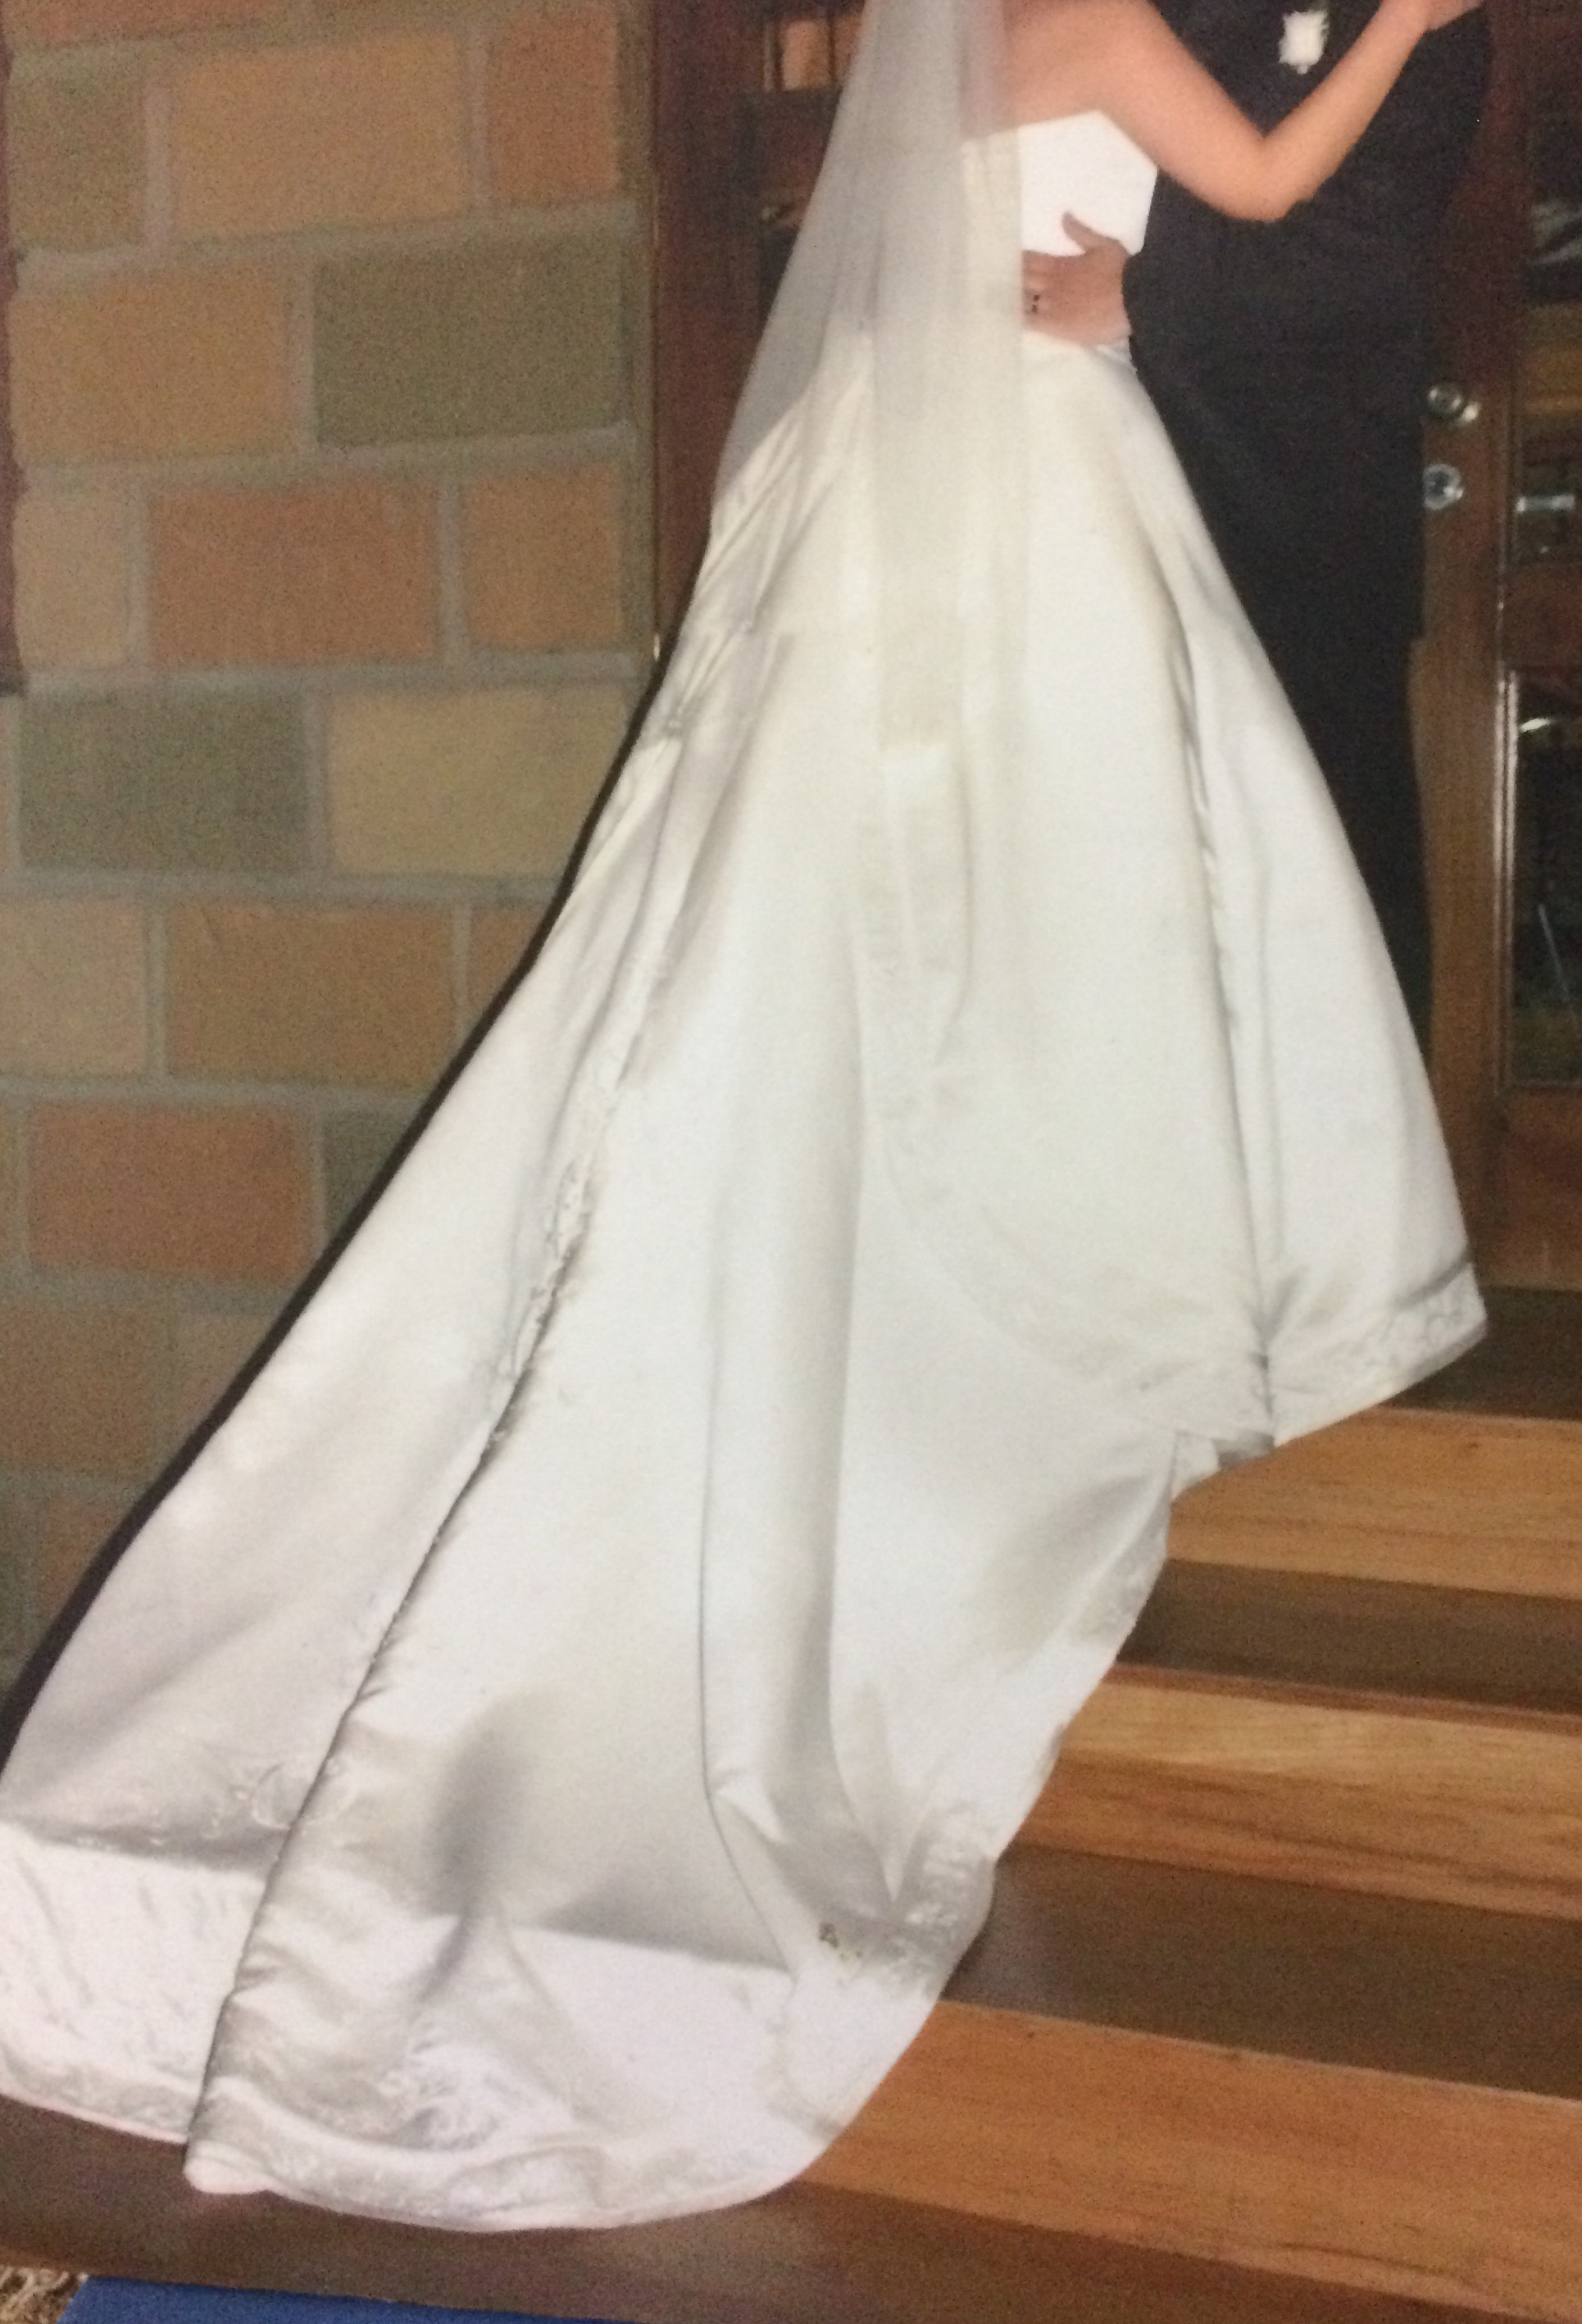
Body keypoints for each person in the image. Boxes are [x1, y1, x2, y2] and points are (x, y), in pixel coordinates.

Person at [0, 0, 1483, 2236]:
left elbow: (1130, 243)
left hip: (891, 472)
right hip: (1039, 475)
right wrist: (1415, 27)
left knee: (868, 915)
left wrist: (1149, 279)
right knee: (1076, 903)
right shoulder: (1105, 25)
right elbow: (1269, 187)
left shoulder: (952, 47)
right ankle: (1069, 1253)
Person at [1023, 0, 1492, 1038]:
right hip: (1105, 477)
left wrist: (1142, 296)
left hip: (1302, 499)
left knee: (1328, 864)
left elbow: (1363, 257)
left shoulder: (1430, 24)